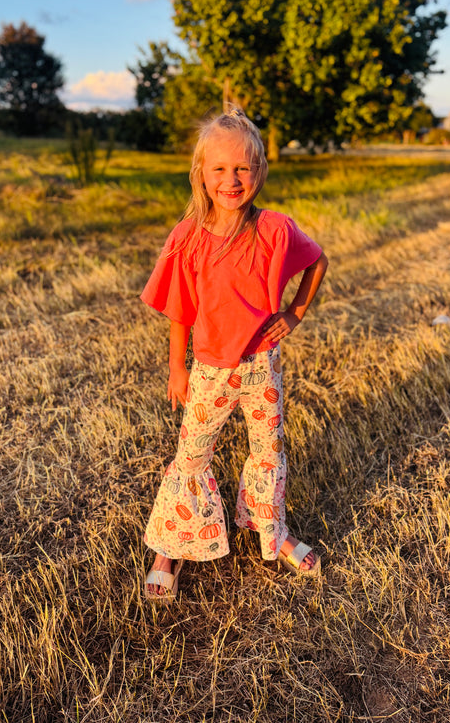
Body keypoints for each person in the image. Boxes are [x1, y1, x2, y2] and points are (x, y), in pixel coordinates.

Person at [140, 107, 328, 602]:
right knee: (191, 455)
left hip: (262, 367)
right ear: (201, 173)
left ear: (259, 170)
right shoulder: (187, 236)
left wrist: (295, 313)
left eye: (243, 168)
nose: (232, 179)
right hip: (210, 371)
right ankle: (170, 548)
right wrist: (176, 366)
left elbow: (318, 261)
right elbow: (179, 308)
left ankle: (273, 531)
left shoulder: (276, 229)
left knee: (268, 452)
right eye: (220, 168)